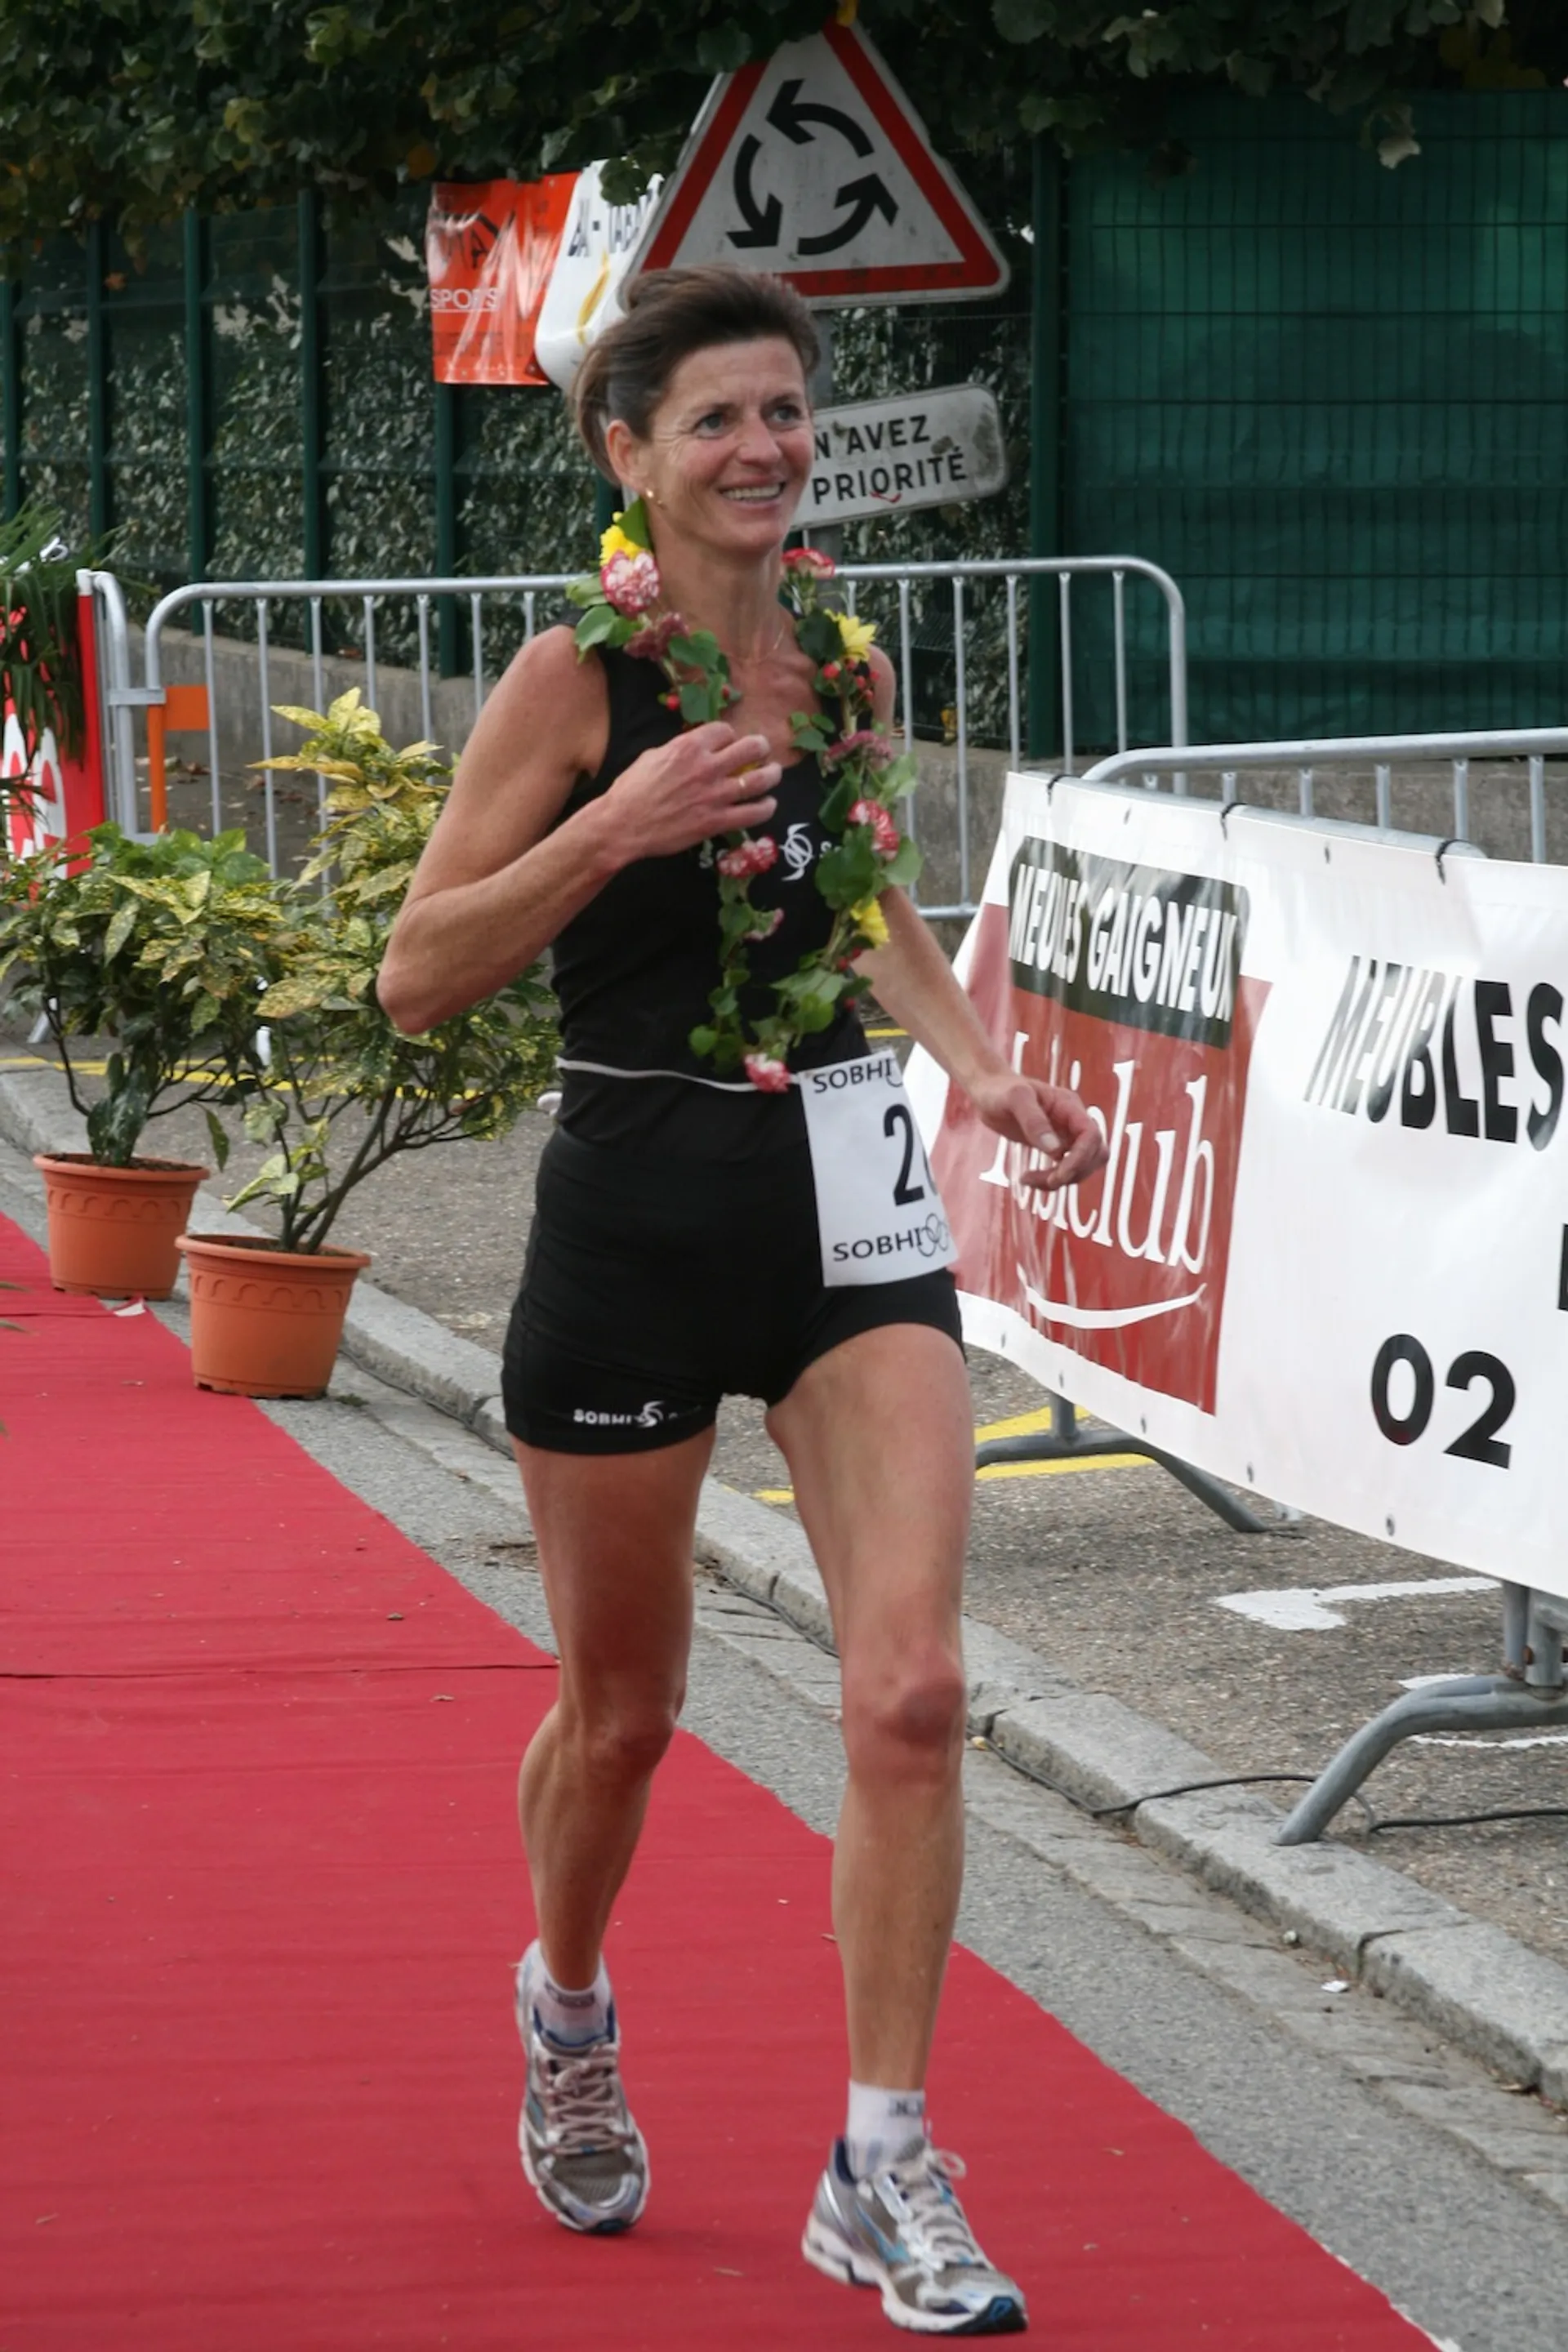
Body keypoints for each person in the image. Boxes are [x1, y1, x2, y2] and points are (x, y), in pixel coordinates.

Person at [377, 265, 1106, 2337]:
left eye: (786, 410)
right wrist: (611, 830)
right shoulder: (570, 679)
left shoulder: (841, 660)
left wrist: (975, 1067)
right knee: (624, 1720)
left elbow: (860, 895)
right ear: (630, 454)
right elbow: (417, 975)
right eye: (717, 418)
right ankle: (568, 2004)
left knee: (915, 1692)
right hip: (633, 1216)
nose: (765, 447)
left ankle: (884, 2162)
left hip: (849, 1210)